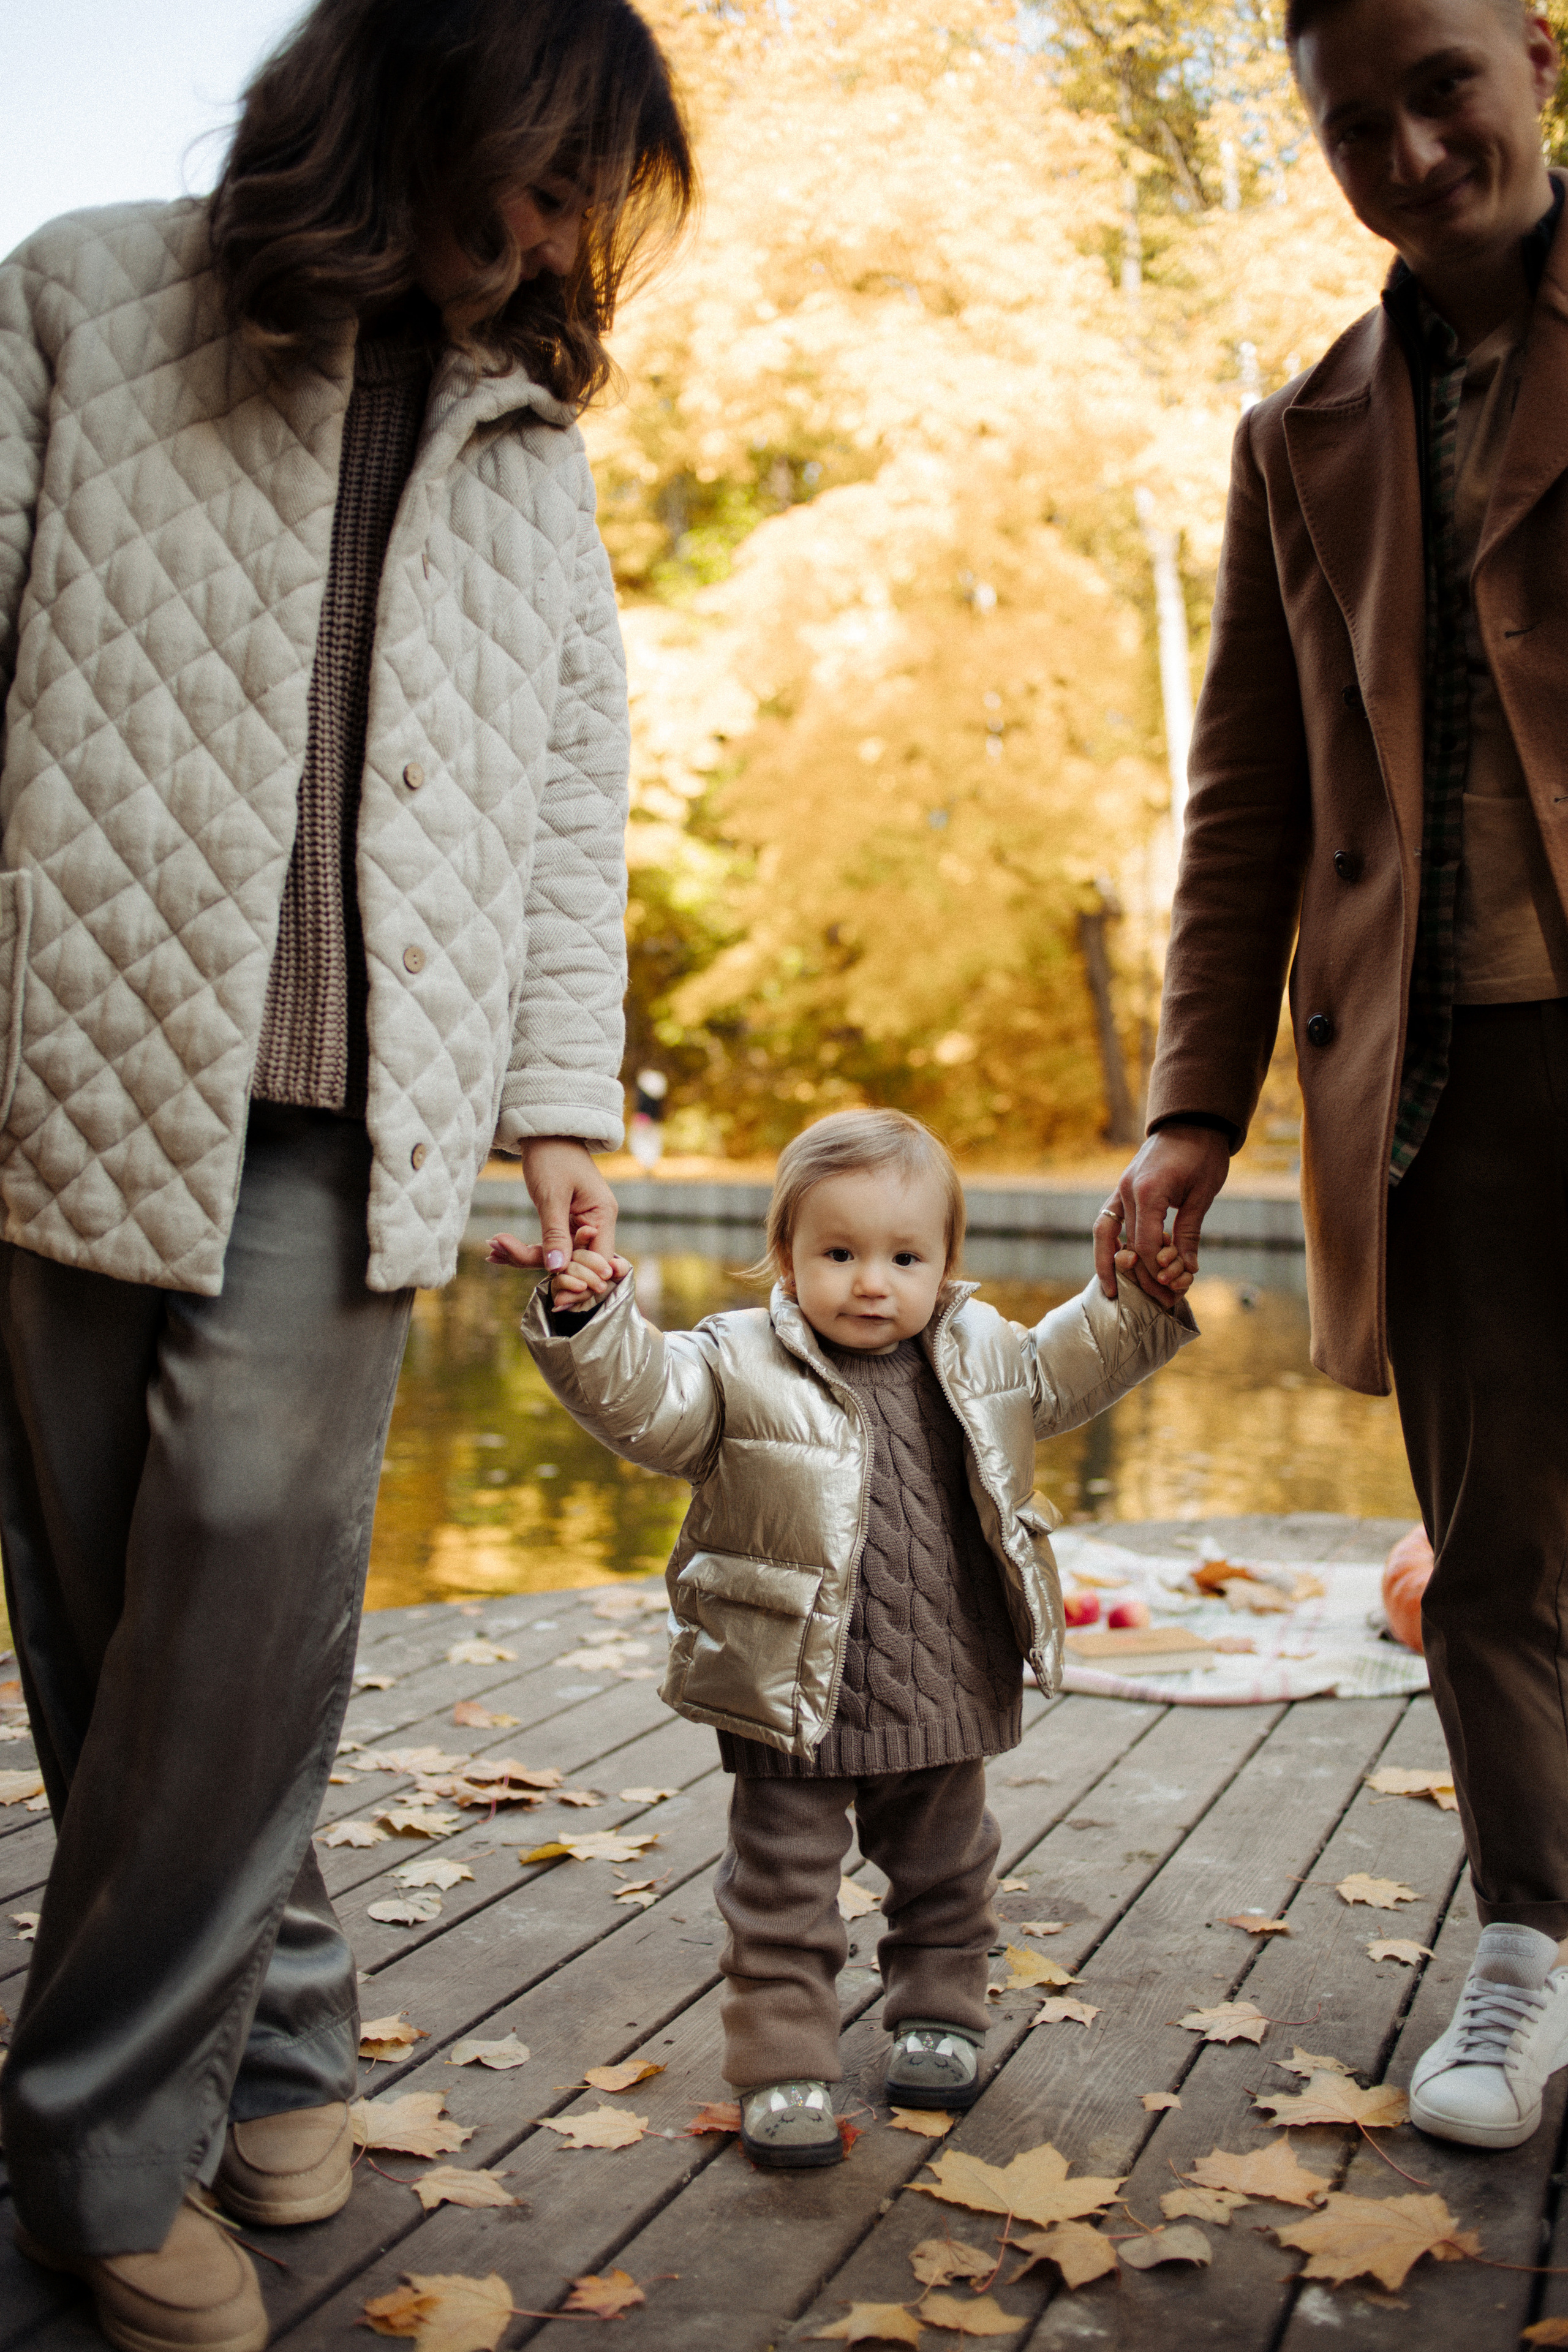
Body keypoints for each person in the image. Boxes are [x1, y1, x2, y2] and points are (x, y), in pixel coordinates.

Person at [0, 2, 692, 2343]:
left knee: (244, 1568)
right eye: (544, 176)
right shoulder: (81, 296)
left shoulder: (526, 441)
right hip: (66, 1060)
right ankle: (287, 2029)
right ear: (418, 101)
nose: (560, 239)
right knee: (108, 1617)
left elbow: (570, 794)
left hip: (355, 1111)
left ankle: (95, 2155)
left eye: (589, 205)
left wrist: (562, 1100)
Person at [1097, 0, 1568, 2152]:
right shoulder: (1300, 439)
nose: (1408, 147)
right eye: (1353, 122)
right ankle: (1532, 1945)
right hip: (1442, 1077)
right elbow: (1249, 800)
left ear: (1539, 57)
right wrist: (1193, 1108)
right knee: (1493, 1552)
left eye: (1441, 84)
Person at [497, 1109, 1194, 2165]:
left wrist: (1139, 1299)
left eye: (905, 1258)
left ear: (946, 1262)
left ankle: (939, 2021)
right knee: (781, 1895)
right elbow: (647, 1401)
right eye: (839, 1255)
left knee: (948, 1873)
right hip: (790, 1692)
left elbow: (1070, 1365)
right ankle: (783, 2066)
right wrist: (589, 1319)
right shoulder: (733, 1362)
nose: (873, 1284)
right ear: (786, 1256)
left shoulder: (983, 1353)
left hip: (946, 1678)